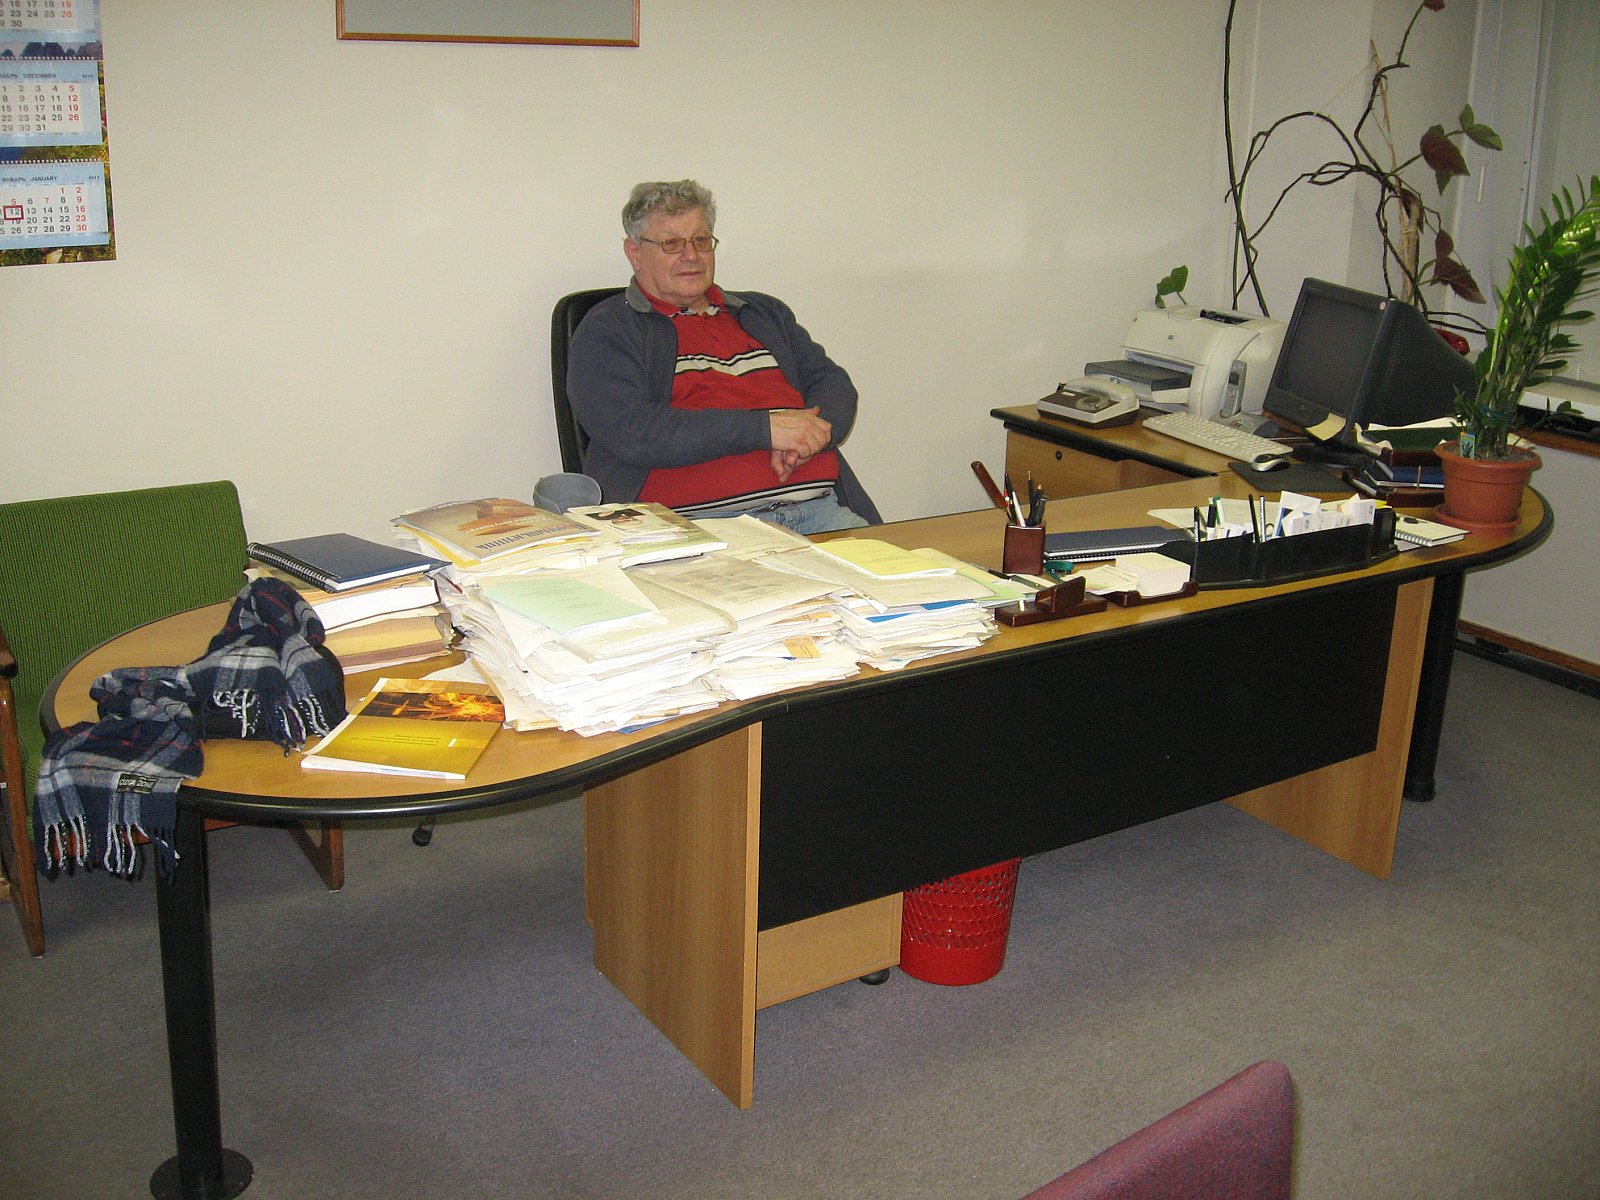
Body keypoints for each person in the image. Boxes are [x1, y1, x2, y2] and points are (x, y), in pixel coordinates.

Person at [566, 179, 879, 534]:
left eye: (701, 240)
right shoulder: (609, 328)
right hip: (699, 529)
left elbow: (832, 383)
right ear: (635, 252)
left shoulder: (763, 313)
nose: (691, 255)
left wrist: (807, 438)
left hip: (820, 512)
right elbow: (634, 430)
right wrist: (765, 430)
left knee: (915, 566)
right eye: (672, 243)